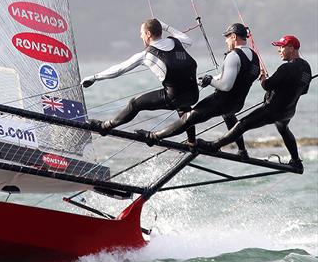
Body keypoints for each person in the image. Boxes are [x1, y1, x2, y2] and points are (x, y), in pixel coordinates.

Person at [137, 23, 260, 154]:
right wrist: (211, 78)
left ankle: (153, 137)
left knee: (188, 118)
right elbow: (238, 77)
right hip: (237, 104)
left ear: (234, 36)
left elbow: (225, 86)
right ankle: (242, 151)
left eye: (227, 37)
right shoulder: (254, 57)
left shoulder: (233, 56)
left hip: (221, 102)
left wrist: (210, 81)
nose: (226, 40)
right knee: (229, 116)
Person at [198, 35, 311, 173]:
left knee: (242, 124)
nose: (279, 50)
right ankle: (296, 161)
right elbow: (303, 90)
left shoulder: (286, 68)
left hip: (272, 110)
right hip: (288, 111)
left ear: (291, 48)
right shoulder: (307, 68)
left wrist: (263, 78)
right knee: (283, 129)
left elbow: (267, 85)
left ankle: (214, 146)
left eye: (281, 47)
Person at [82, 18, 198, 134]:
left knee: (135, 104)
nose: (140, 36)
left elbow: (119, 69)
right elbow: (188, 40)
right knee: (183, 105)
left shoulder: (147, 55)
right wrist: (165, 26)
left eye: (141, 33)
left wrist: (94, 77)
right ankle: (192, 144)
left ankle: (104, 126)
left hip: (174, 98)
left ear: (148, 34)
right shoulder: (177, 42)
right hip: (193, 96)